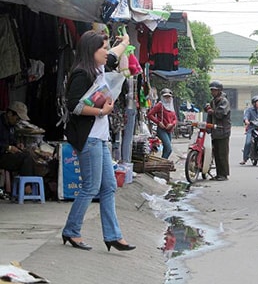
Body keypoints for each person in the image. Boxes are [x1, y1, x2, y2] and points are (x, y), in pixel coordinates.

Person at [62, 30, 135, 252]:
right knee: (90, 187)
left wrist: (126, 42)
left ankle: (113, 236)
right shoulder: (82, 73)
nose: (106, 52)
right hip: (89, 137)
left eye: (106, 47)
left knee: (109, 186)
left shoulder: (99, 67)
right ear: (91, 51)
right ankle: (72, 231)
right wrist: (100, 111)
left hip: (100, 138)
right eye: (102, 48)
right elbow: (73, 106)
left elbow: (114, 54)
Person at [204, 80, 231, 181]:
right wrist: (208, 126)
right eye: (212, 90)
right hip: (215, 130)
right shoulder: (213, 101)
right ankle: (219, 174)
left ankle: (224, 174)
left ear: (219, 90)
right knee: (216, 153)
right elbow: (210, 115)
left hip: (223, 130)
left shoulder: (224, 101)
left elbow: (221, 113)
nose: (213, 92)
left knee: (222, 154)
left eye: (214, 90)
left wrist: (212, 111)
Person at [0, 101, 35, 177]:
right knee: (26, 158)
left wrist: (17, 145)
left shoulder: (11, 125)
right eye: (17, 119)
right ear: (9, 114)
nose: (18, 121)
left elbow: (11, 140)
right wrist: (8, 148)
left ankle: (26, 185)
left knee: (29, 155)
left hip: (5, 155)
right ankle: (27, 187)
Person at [147, 88, 177, 160]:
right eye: (165, 97)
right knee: (169, 148)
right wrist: (158, 122)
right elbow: (150, 114)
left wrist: (172, 124)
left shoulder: (171, 106)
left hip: (169, 130)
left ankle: (163, 164)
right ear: (162, 97)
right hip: (162, 129)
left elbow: (175, 119)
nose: (167, 98)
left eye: (169, 97)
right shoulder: (159, 105)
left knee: (166, 149)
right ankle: (163, 161)